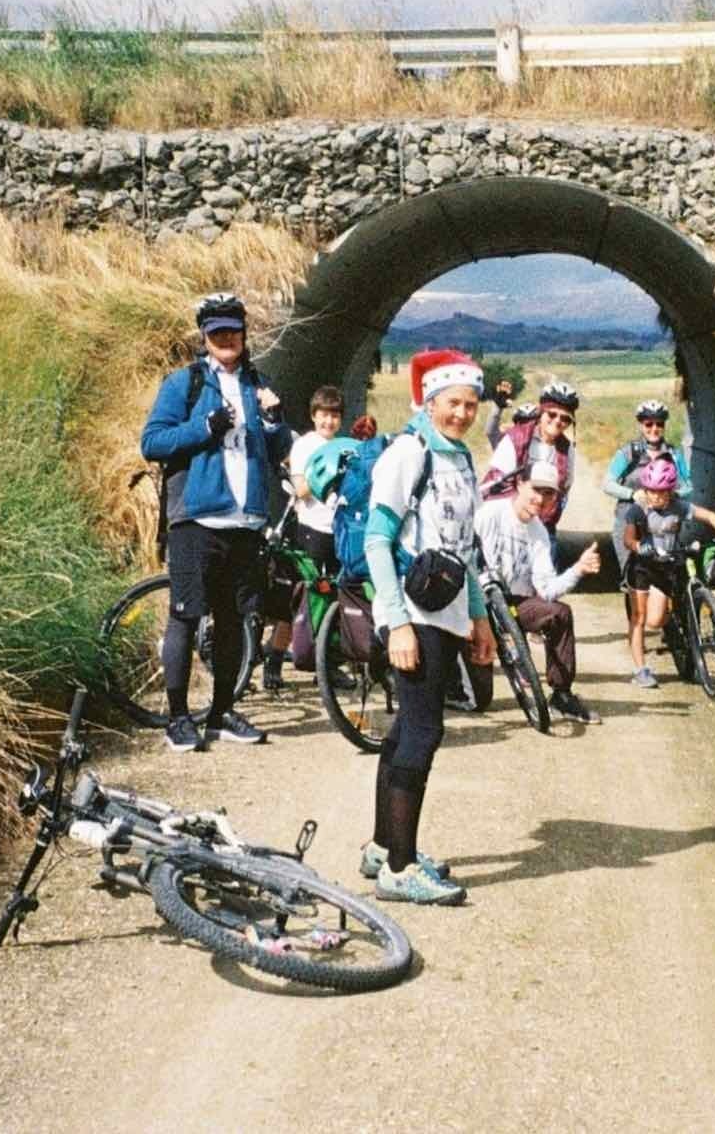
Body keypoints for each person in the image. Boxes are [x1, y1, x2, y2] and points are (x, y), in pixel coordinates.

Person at [359, 349, 497, 905]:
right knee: (423, 732)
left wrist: (480, 621)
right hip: (413, 616)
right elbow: (376, 540)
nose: (462, 413)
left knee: (403, 734)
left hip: (446, 614)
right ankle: (399, 868)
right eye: (452, 404)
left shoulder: (460, 459)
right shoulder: (407, 454)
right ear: (429, 401)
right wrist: (397, 625)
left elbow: (463, 552)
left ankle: (380, 846)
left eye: (470, 404)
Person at [138, 292, 293, 752]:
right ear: (205, 338)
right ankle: (179, 718)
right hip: (197, 518)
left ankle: (222, 714)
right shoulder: (183, 383)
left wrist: (273, 421)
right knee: (185, 617)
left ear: (245, 336)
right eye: (217, 333)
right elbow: (153, 442)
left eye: (233, 331)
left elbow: (278, 446)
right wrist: (203, 428)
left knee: (233, 622)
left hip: (244, 521)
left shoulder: (257, 383)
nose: (226, 339)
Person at [474, 460, 604, 723]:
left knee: (559, 613)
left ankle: (562, 695)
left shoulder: (539, 533)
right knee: (478, 699)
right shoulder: (489, 513)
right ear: (519, 484)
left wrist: (578, 569)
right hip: (476, 602)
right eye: (536, 489)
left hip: (514, 602)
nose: (540, 498)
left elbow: (546, 590)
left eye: (549, 493)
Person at [621, 458, 715, 689]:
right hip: (642, 566)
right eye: (652, 491)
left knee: (657, 620)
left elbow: (709, 516)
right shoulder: (638, 509)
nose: (656, 497)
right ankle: (640, 670)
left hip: (668, 565)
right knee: (640, 618)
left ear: (670, 491)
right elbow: (628, 537)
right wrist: (639, 546)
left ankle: (672, 631)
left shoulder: (679, 506)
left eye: (662, 492)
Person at [601, 400, 692, 617]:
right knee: (632, 574)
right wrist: (632, 494)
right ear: (641, 424)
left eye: (659, 424)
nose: (654, 429)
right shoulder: (628, 452)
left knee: (668, 569)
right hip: (630, 518)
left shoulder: (673, 454)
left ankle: (669, 622)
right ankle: (636, 625)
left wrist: (674, 494)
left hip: (662, 518)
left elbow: (688, 485)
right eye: (648, 424)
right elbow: (607, 483)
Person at [278, 384, 344, 678]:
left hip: (337, 530)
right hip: (311, 529)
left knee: (334, 599)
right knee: (303, 597)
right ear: (313, 416)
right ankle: (275, 658)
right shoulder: (306, 445)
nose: (328, 422)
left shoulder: (342, 445)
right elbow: (301, 489)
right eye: (323, 415)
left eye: (334, 416)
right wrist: (330, 473)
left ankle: (326, 664)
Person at [481, 381, 579, 527]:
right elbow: (496, 481)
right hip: (508, 519)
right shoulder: (515, 438)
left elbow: (565, 487)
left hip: (543, 523)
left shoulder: (567, 449)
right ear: (541, 413)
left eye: (565, 419)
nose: (558, 421)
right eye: (552, 414)